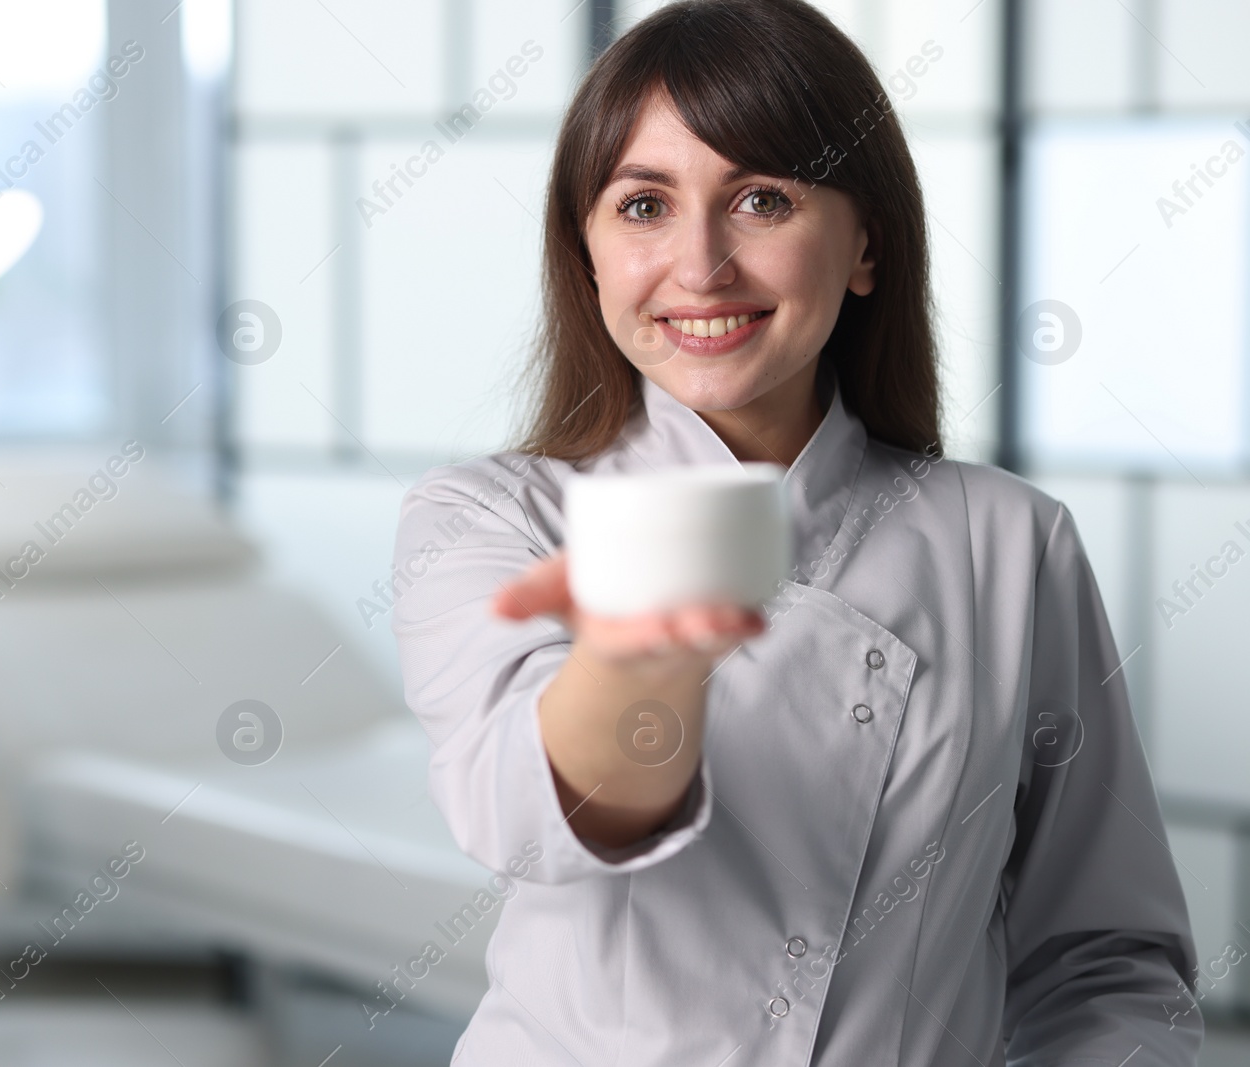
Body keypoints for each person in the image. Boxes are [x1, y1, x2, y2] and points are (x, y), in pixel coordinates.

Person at [387, 1, 1203, 1063]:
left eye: (761, 199)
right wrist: (639, 665)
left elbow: (1102, 954)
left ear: (865, 244)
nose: (700, 264)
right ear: (586, 258)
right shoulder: (488, 518)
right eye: (642, 204)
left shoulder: (1009, 542)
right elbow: (527, 813)